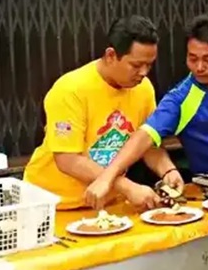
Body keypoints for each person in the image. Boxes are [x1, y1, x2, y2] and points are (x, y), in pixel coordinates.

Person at [85, 15, 208, 209]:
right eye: (192, 58)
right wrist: (106, 177)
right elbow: (145, 135)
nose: (199, 67)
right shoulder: (180, 98)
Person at [24, 16, 182, 213]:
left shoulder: (143, 89)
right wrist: (127, 186)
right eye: (136, 65)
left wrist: (167, 170)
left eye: (149, 65)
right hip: (53, 204)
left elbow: (145, 142)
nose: (144, 72)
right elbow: (67, 159)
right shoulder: (71, 89)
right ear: (110, 55)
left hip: (107, 204)